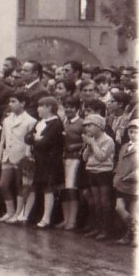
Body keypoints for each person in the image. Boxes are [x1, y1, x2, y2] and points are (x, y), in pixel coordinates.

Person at [0, 93, 37, 223]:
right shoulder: (7, 120)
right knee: (3, 184)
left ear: (23, 103)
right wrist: (0, 154)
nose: (10, 104)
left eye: (14, 101)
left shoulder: (30, 121)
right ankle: (10, 211)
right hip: (8, 155)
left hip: (21, 156)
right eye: (10, 101)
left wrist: (27, 157)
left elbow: (30, 142)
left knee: (20, 185)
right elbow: (3, 139)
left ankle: (18, 214)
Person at [26, 96, 65, 228]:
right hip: (39, 160)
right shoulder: (40, 122)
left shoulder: (56, 123)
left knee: (48, 188)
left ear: (48, 107)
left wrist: (35, 139)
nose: (38, 109)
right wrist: (36, 138)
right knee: (40, 188)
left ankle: (47, 218)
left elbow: (45, 142)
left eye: (40, 106)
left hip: (50, 162)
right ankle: (35, 216)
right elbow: (28, 138)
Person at [81, 113, 116, 240]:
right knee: (95, 202)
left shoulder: (108, 140)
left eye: (90, 125)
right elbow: (85, 157)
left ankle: (106, 230)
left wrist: (92, 144)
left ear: (99, 126)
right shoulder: (92, 140)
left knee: (104, 202)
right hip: (91, 171)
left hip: (103, 173)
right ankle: (97, 227)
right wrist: (88, 145)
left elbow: (101, 157)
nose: (87, 128)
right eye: (86, 126)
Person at [112, 119, 138, 245]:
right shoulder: (125, 146)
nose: (132, 134)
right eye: (130, 132)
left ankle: (131, 235)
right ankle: (134, 230)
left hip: (133, 183)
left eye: (136, 132)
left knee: (134, 210)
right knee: (119, 208)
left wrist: (133, 175)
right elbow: (120, 162)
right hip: (121, 182)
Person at [59, 96, 84, 230]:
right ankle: (65, 218)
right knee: (63, 189)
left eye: (71, 107)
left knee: (71, 188)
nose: (68, 109)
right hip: (62, 158)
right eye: (66, 107)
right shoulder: (63, 122)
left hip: (74, 159)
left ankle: (72, 220)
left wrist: (74, 146)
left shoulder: (81, 123)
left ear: (77, 108)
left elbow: (86, 142)